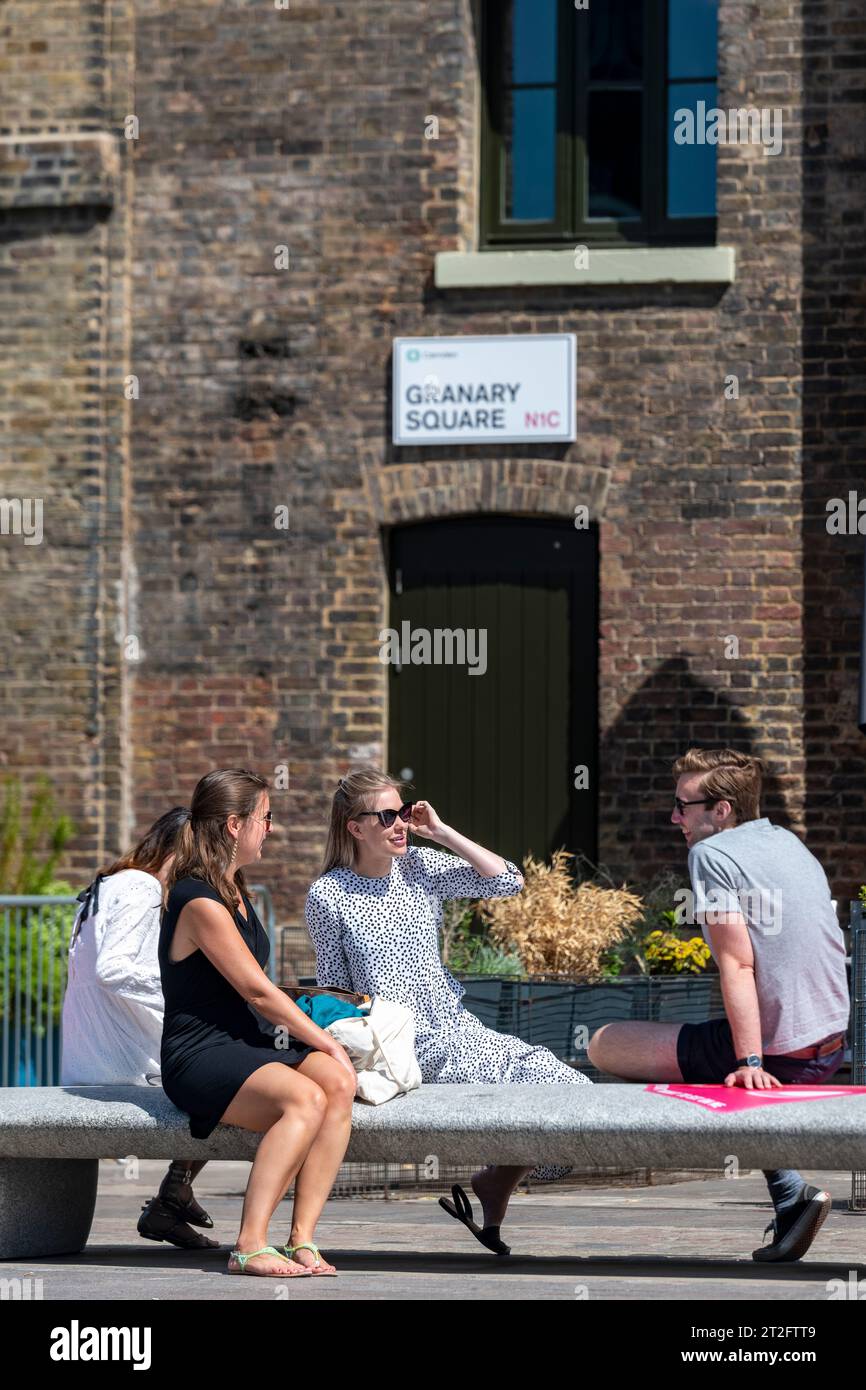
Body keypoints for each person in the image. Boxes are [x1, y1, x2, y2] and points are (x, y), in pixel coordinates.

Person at [305, 766, 593, 1257]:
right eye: (388, 815)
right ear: (355, 827)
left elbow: (508, 881)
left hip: (458, 1028)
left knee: (576, 1094)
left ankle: (497, 1180)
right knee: (547, 1095)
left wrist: (440, 831)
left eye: (404, 812)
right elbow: (333, 990)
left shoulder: (417, 866)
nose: (401, 823)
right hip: (403, 1045)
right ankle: (497, 1183)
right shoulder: (327, 895)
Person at [588, 748, 850, 1262]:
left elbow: (738, 965)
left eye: (683, 805)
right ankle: (788, 1193)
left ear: (721, 810)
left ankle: (790, 1190)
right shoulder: (787, 841)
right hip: (830, 1042)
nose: (674, 817)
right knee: (696, 1046)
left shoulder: (712, 855)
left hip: (784, 1054)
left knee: (605, 1044)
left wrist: (750, 1063)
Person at [160, 768, 358, 1277]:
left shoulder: (235, 889)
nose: (271, 828)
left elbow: (260, 991)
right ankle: (249, 1245)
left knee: (337, 1082)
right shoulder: (197, 898)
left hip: (241, 1043)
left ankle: (302, 1240)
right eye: (265, 818)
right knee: (305, 1097)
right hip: (198, 1053)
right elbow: (255, 990)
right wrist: (326, 1041)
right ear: (233, 824)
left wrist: (327, 1045)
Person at [61, 808, 219, 1251]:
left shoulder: (111, 883)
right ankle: (173, 1192)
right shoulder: (143, 887)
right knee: (237, 1082)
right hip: (122, 1067)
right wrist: (189, 986)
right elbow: (113, 969)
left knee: (228, 1071)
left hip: (91, 1059)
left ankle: (174, 1194)